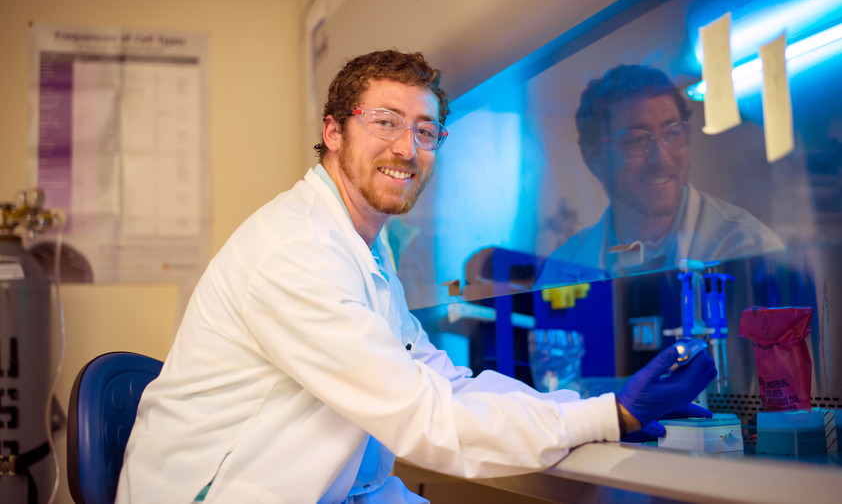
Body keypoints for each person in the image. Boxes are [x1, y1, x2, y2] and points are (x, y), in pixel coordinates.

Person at [116, 50, 716, 504]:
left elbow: (438, 382)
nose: (407, 148)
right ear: (333, 133)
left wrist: (590, 407)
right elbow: (422, 417)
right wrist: (607, 416)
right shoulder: (298, 251)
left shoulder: (364, 250)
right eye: (385, 122)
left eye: (425, 131)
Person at [537, 65, 785, 286]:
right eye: (635, 140)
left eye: (673, 134)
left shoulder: (749, 249)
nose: (661, 158)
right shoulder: (562, 269)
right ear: (593, 157)